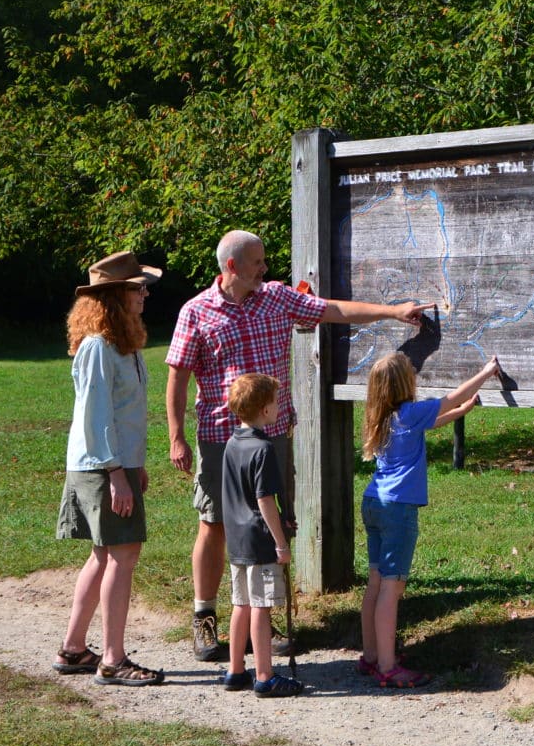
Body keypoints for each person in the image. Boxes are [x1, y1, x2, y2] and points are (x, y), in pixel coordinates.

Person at [166, 229, 426, 661]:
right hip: (220, 439)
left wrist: (393, 312)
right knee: (215, 524)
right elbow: (176, 376)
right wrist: (176, 435)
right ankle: (205, 618)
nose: (264, 268)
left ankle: (266, 622)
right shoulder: (195, 312)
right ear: (231, 266)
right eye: (256, 262)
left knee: (274, 523)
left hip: (273, 437)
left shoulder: (277, 298)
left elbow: (333, 310)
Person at [54, 251, 166, 686]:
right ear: (115, 296)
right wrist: (117, 472)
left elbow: (124, 416)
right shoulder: (98, 347)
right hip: (102, 468)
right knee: (124, 555)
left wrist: (133, 465)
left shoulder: (122, 345)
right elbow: (96, 416)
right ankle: (114, 660)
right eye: (137, 288)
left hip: (114, 465)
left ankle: (74, 648)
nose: (144, 295)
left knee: (104, 555)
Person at [356, 350, 501, 687]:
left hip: (373, 502)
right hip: (398, 510)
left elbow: (433, 419)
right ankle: (389, 667)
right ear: (405, 382)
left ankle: (371, 656)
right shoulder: (410, 412)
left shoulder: (383, 415)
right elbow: (453, 396)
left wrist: (460, 413)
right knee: (392, 588)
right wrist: (487, 371)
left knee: (375, 582)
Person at [218, 372, 302, 698]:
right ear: (265, 409)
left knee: (241, 603)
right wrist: (280, 542)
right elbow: (265, 500)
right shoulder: (264, 449)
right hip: (259, 538)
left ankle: (235, 670)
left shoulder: (231, 443)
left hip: (237, 539)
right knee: (261, 606)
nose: (279, 407)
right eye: (277, 402)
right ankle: (265, 675)